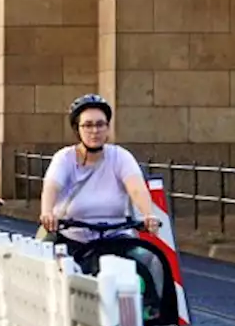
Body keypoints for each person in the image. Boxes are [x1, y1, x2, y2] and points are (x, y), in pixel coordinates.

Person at [38, 93, 161, 254]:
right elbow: (52, 186)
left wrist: (148, 214)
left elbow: (137, 188)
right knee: (49, 266)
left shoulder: (121, 156)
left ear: (108, 127)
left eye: (100, 124)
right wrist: (47, 213)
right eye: (88, 125)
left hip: (117, 238)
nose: (95, 131)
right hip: (71, 239)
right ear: (77, 129)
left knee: (149, 261)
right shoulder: (64, 158)